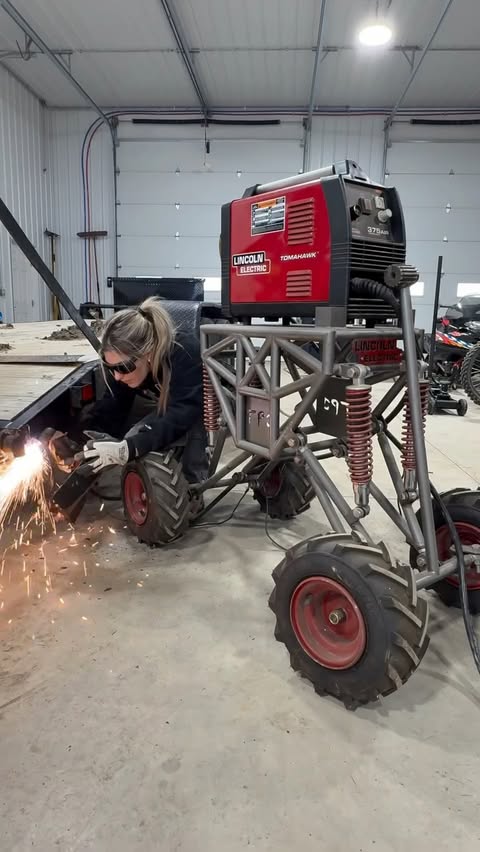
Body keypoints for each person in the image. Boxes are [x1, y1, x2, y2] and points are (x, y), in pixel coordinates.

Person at [81, 297, 207, 483]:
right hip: (166, 399)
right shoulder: (123, 363)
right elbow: (114, 404)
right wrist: (85, 443)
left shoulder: (184, 351)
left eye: (122, 368)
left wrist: (134, 445)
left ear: (148, 353)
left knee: (147, 435)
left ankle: (194, 484)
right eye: (111, 368)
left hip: (208, 403)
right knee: (134, 433)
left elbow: (184, 410)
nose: (117, 375)